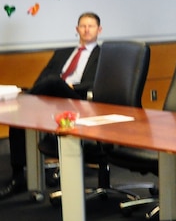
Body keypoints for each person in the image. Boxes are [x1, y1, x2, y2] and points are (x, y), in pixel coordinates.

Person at [1, 12, 102, 199]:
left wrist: (71, 86)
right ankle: (18, 176)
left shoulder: (104, 55)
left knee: (54, 82)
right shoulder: (62, 53)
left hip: (77, 101)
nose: (86, 30)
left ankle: (20, 103)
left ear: (99, 30)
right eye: (83, 26)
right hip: (50, 99)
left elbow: (98, 84)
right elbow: (41, 80)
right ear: (77, 30)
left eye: (91, 26)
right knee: (19, 115)